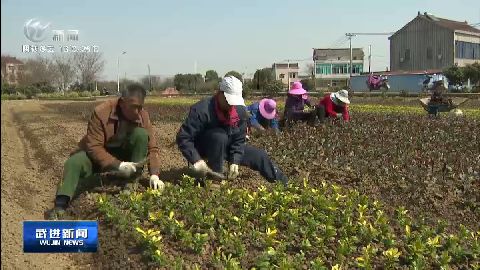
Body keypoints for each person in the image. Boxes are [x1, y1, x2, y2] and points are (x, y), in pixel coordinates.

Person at [46, 83, 163, 220]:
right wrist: (117, 165)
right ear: (123, 102)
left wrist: (154, 174)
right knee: (74, 162)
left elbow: (152, 147)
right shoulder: (101, 112)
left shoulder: (143, 116)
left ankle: (131, 182)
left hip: (124, 153)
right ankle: (61, 203)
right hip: (98, 155)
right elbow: (94, 147)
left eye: (140, 107)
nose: (137, 111)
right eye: (134, 107)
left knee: (141, 135)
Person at [176, 76, 288, 186]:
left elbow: (239, 139)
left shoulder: (239, 111)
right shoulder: (202, 110)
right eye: (228, 100)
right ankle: (215, 178)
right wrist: (196, 159)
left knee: (259, 155)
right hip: (204, 148)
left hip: (225, 146)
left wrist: (235, 160)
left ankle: (284, 183)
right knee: (219, 136)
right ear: (219, 93)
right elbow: (184, 137)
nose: (231, 105)